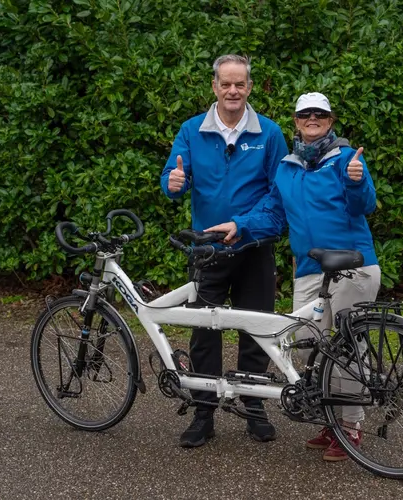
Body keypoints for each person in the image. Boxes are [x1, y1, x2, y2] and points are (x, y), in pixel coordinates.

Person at [206, 92, 381, 462]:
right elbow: (272, 211)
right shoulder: (288, 166)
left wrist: (356, 181)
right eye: (305, 114)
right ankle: (331, 419)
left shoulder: (346, 159)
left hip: (353, 265)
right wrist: (240, 224)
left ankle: (350, 429)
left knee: (347, 350)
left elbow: (364, 205)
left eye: (320, 114)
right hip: (309, 269)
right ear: (296, 121)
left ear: (331, 120)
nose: (312, 119)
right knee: (307, 343)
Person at [160, 54, 289, 448]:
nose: (233, 91)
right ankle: (203, 414)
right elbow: (171, 179)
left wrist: (245, 225)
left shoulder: (269, 133)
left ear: (249, 88)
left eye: (240, 84)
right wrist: (175, 182)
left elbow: (278, 195)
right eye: (226, 84)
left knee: (256, 331)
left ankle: (253, 409)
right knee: (204, 335)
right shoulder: (191, 130)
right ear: (214, 87)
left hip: (253, 249)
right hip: (208, 252)